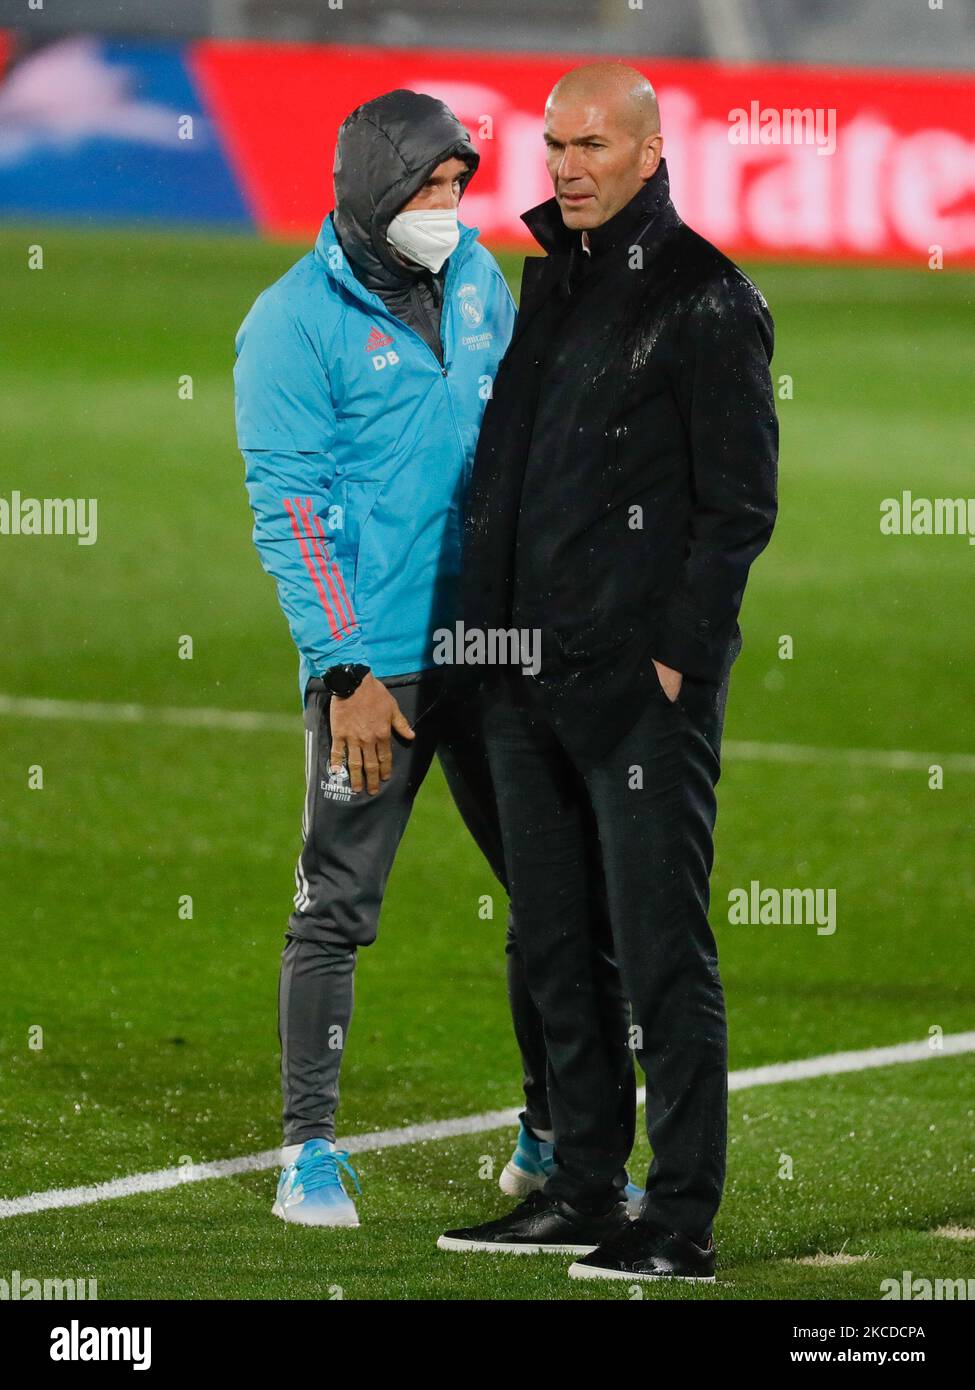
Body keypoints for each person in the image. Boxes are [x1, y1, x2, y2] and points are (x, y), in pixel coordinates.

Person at [438, 62, 778, 1282]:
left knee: (660, 954)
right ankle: (583, 1186)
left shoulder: (706, 297)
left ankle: (678, 1214)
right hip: (522, 676)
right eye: (553, 144)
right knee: (553, 944)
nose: (568, 164)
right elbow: (516, 482)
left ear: (650, 153)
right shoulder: (558, 282)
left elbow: (738, 508)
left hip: (637, 693)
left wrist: (681, 660)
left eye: (592, 144)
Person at [233, 89, 554, 1227]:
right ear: (374, 190)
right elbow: (292, 508)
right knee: (334, 907)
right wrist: (343, 669)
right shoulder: (289, 322)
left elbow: (517, 445)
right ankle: (306, 1153)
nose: (449, 208)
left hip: (494, 648)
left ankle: (551, 1131)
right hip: (381, 668)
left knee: (551, 893)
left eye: (459, 186)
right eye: (428, 187)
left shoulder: (477, 281)